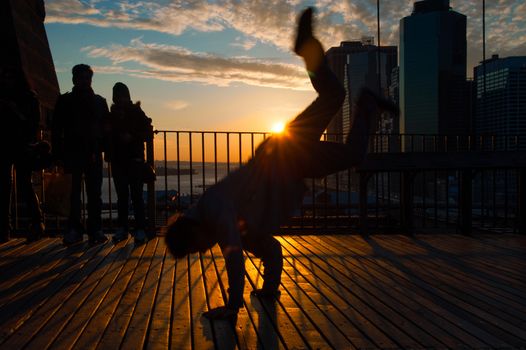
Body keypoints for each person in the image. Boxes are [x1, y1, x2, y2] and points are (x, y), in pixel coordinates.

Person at [164, 8, 397, 320]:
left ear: (192, 233)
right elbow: (271, 250)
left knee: (346, 133)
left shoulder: (217, 213)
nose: (204, 251)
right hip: (282, 153)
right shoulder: (220, 219)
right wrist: (269, 288)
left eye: (196, 249)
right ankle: (314, 56)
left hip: (287, 159)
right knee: (333, 96)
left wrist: (233, 307)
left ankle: (364, 101)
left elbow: (234, 259)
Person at [51, 64, 109, 245]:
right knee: (73, 194)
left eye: (87, 78)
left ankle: (93, 230)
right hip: (73, 152)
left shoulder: (98, 102)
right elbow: (56, 129)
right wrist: (58, 154)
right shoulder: (66, 101)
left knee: (94, 194)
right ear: (75, 79)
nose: (84, 81)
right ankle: (77, 229)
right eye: (81, 78)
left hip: (91, 153)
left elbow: (106, 129)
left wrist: (103, 150)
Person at [0, 65, 45, 243]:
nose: (6, 80)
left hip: (21, 144)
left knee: (23, 184)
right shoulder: (21, 96)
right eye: (4, 76)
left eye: (9, 77)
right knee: (5, 186)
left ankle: (36, 223)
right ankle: (5, 228)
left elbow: (33, 123)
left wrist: (14, 109)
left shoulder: (28, 98)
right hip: (5, 145)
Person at [106, 82, 153, 245]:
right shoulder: (112, 115)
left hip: (133, 159)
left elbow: (147, 130)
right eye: (117, 96)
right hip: (120, 160)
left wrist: (132, 136)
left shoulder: (135, 112)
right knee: (123, 197)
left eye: (122, 95)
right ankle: (125, 228)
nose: (120, 99)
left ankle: (138, 229)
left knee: (136, 196)